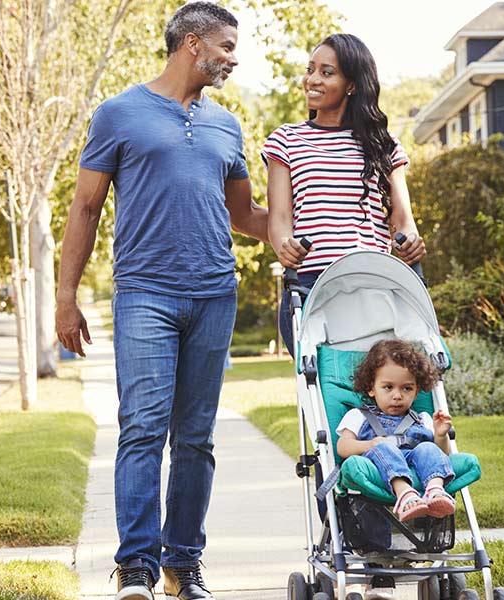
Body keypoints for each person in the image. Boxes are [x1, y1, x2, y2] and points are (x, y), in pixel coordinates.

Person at [54, 3, 269, 599]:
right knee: (143, 429)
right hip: (145, 294)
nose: (232, 58)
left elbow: (245, 215)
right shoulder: (120, 113)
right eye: (226, 46)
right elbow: (86, 208)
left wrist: (325, 224)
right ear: (192, 44)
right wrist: (65, 297)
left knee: (196, 437)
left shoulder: (226, 124)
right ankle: (137, 569)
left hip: (214, 293)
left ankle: (183, 563)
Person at [264, 33, 426, 349]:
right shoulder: (286, 141)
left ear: (351, 84)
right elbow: (280, 217)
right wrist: (285, 245)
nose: (312, 79)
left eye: (326, 72)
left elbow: (403, 220)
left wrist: (411, 243)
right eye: (310, 69)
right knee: (319, 393)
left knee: (385, 389)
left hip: (376, 286)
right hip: (311, 287)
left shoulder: (384, 145)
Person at [335, 338, 457, 522]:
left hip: (415, 461)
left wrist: (440, 435)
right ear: (371, 388)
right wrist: (370, 444)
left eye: (407, 388)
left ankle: (435, 491)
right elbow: (343, 446)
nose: (397, 396)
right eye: (388, 387)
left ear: (416, 392)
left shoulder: (422, 418)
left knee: (427, 448)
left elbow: (440, 454)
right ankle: (405, 494)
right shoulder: (358, 415)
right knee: (384, 448)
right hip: (380, 463)